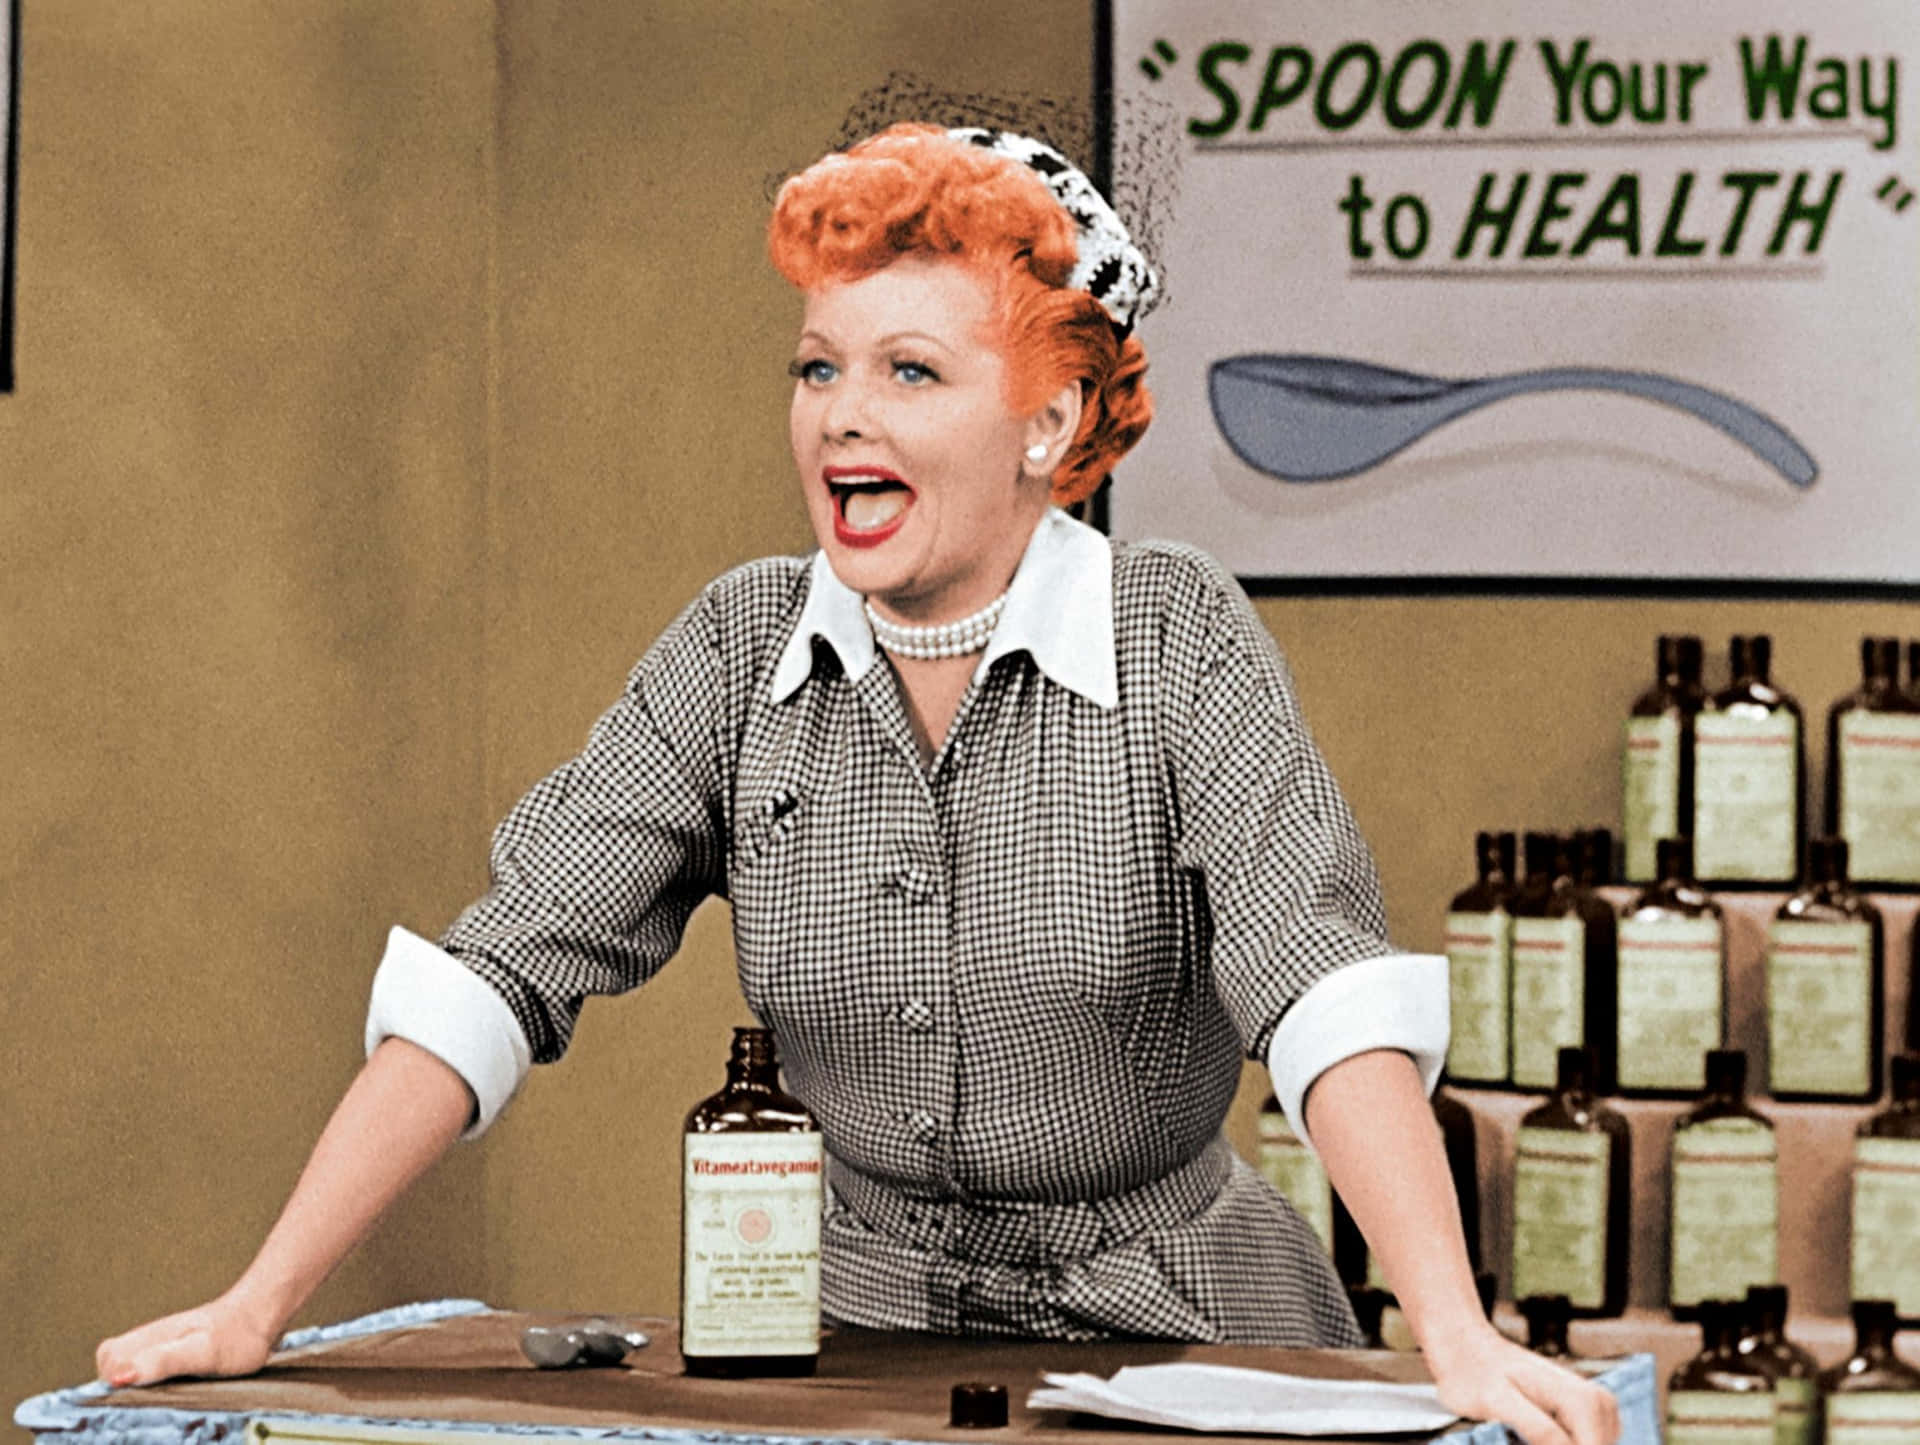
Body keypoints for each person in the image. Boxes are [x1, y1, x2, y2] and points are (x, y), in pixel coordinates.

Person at [98, 123, 1618, 1445]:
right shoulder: (735, 648)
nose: (843, 414)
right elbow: (502, 968)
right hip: (845, 1347)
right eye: (819, 366)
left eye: (908, 369)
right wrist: (260, 1300)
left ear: (1051, 423)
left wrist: (1455, 1328)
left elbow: (1320, 996)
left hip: (1186, 1344)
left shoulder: (1178, 637)